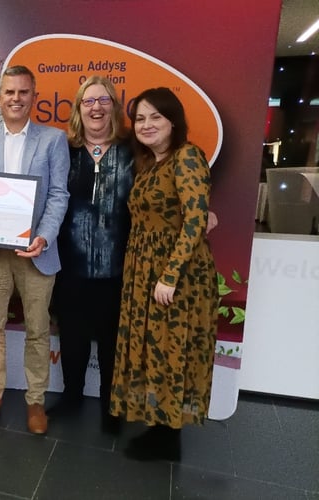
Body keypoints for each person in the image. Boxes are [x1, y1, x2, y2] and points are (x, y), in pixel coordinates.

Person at [109, 87, 218, 461]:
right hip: (144, 269)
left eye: (156, 116)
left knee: (172, 349)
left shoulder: (187, 157)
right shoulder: (151, 164)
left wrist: (169, 276)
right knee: (153, 348)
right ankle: (158, 426)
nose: (146, 124)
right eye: (140, 118)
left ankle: (169, 437)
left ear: (174, 121)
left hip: (176, 276)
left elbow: (194, 222)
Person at [0, 65, 70, 435]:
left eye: (23, 92)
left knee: (38, 330)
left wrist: (44, 235)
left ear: (34, 97)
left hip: (36, 251)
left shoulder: (53, 140)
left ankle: (35, 400)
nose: (15, 98)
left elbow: (59, 193)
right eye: (9, 92)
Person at [52, 76, 132, 434]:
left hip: (120, 268)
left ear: (114, 108)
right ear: (78, 110)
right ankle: (71, 397)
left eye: (103, 101)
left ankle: (110, 406)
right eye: (88, 101)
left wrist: (198, 211)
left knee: (114, 342)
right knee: (72, 339)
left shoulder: (133, 153)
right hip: (70, 266)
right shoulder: (63, 152)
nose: (96, 107)